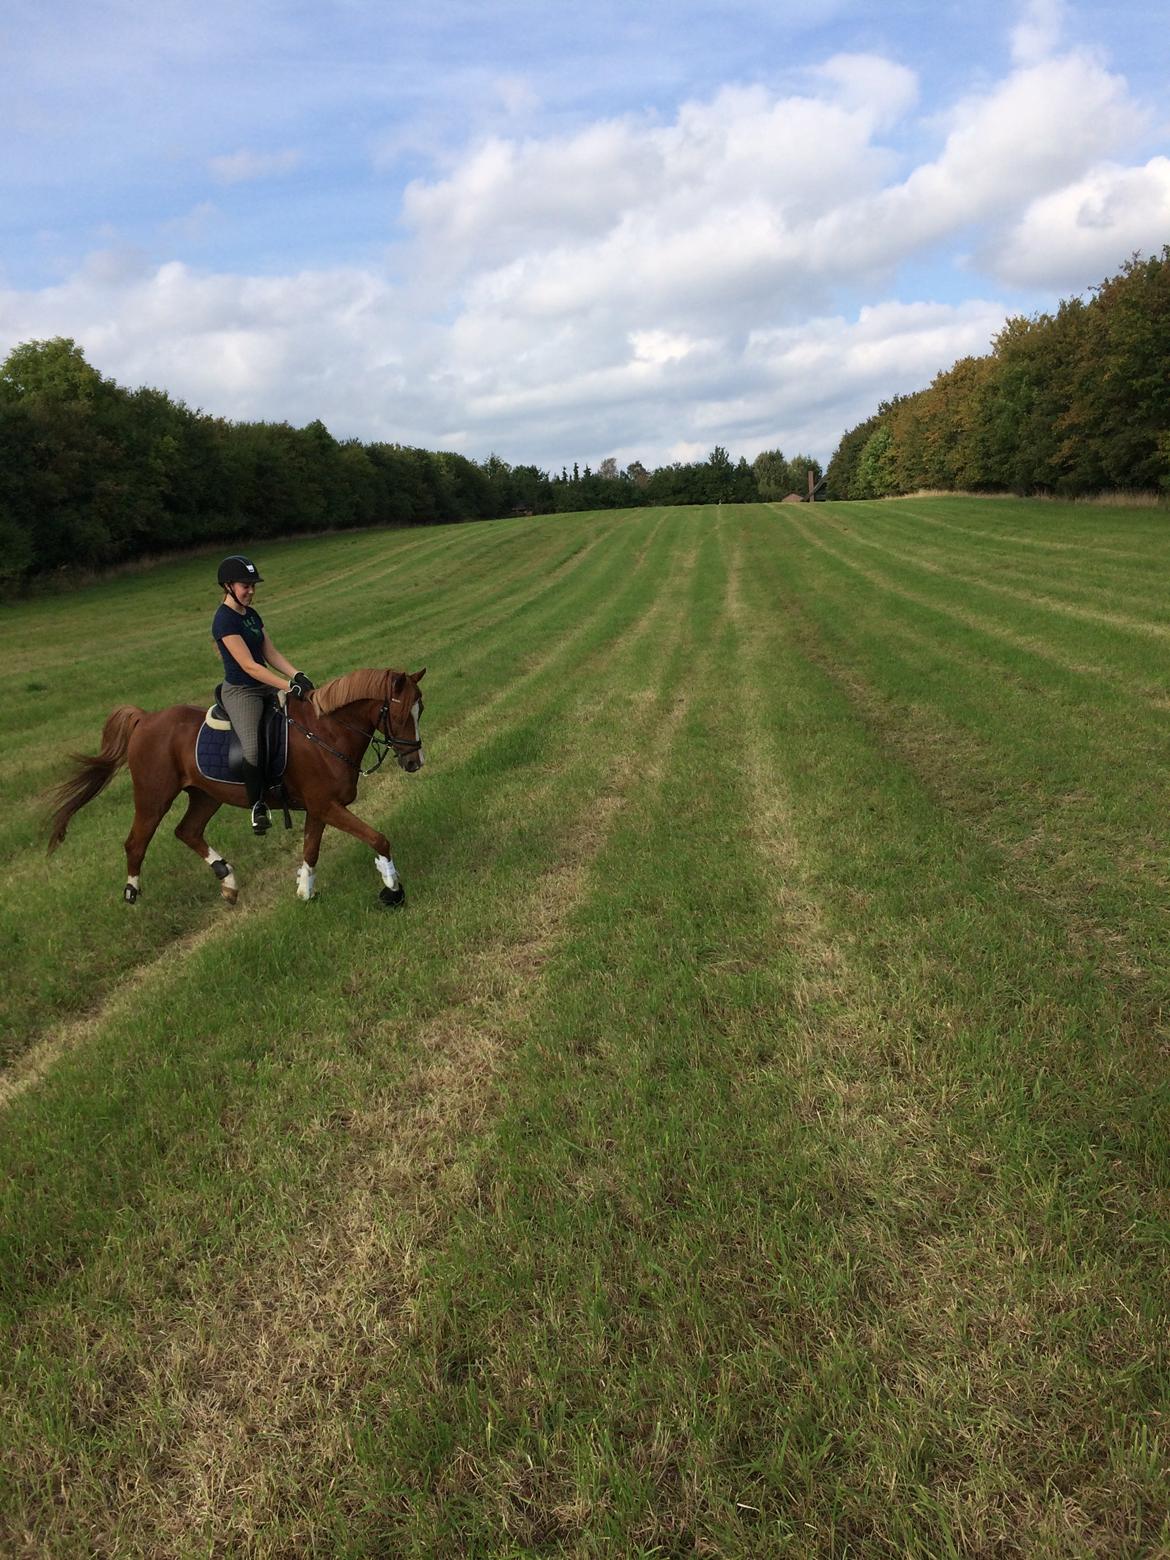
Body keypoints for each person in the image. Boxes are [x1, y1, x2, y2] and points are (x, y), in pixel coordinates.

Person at [212, 555, 315, 834]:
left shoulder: (251, 615)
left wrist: (296, 674)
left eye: (253, 586)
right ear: (228, 586)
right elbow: (249, 666)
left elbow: (270, 653)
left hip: (264, 683)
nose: (251, 591)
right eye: (246, 586)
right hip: (242, 692)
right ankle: (257, 805)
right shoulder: (224, 620)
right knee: (253, 748)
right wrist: (285, 686)